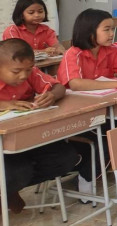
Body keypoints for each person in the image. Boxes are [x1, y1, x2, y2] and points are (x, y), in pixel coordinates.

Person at [57, 9, 117, 194]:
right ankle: (86, 177)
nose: (112, 34)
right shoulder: (73, 54)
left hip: (105, 108)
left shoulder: (110, 50)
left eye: (112, 29)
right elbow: (76, 84)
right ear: (89, 31)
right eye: (107, 29)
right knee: (105, 138)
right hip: (79, 114)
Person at [0, 39, 79, 214]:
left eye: (28, 69)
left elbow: (59, 87)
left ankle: (8, 190)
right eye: (16, 71)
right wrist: (4, 104)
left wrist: (52, 95)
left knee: (65, 158)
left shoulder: (31, 73)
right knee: (17, 172)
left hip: (26, 137)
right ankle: (8, 188)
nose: (23, 76)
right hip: (3, 145)